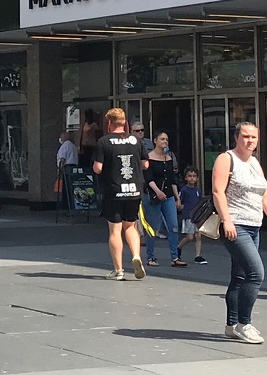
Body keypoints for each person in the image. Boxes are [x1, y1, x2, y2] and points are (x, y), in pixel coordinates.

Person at [212, 121, 267, 342]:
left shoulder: (254, 162)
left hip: (254, 225)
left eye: (253, 137)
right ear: (236, 137)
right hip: (235, 224)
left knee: (240, 276)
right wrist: (226, 220)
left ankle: (231, 324)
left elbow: (264, 195)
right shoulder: (226, 159)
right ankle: (245, 323)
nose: (250, 141)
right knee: (256, 273)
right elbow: (217, 191)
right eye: (245, 136)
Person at [92, 107, 146, 280]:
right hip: (134, 190)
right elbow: (145, 165)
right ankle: (136, 256)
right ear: (125, 123)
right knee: (131, 225)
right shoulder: (136, 141)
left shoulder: (104, 142)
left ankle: (118, 270)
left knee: (115, 230)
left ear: (109, 123)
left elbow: (98, 168)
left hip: (114, 190)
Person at [142, 131, 183, 266]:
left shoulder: (169, 158)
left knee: (173, 225)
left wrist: (177, 198)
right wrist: (158, 191)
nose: (165, 141)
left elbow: (172, 180)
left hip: (169, 195)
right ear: (155, 141)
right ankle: (150, 256)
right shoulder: (148, 158)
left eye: (166, 139)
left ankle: (175, 257)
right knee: (153, 226)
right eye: (162, 139)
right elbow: (149, 178)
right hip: (153, 195)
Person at [177, 167, 207, 263]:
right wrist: (180, 206)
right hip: (188, 216)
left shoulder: (197, 190)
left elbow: (200, 202)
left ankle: (198, 256)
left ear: (197, 178)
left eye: (194, 176)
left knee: (198, 235)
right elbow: (179, 201)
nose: (192, 178)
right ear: (186, 178)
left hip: (197, 216)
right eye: (189, 176)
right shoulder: (184, 190)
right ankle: (179, 247)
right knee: (189, 237)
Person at [54, 129, 79, 217]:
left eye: (61, 136)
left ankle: (66, 208)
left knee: (66, 189)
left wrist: (60, 170)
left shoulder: (65, 146)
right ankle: (72, 207)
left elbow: (62, 159)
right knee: (72, 189)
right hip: (74, 168)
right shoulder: (73, 146)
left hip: (67, 168)